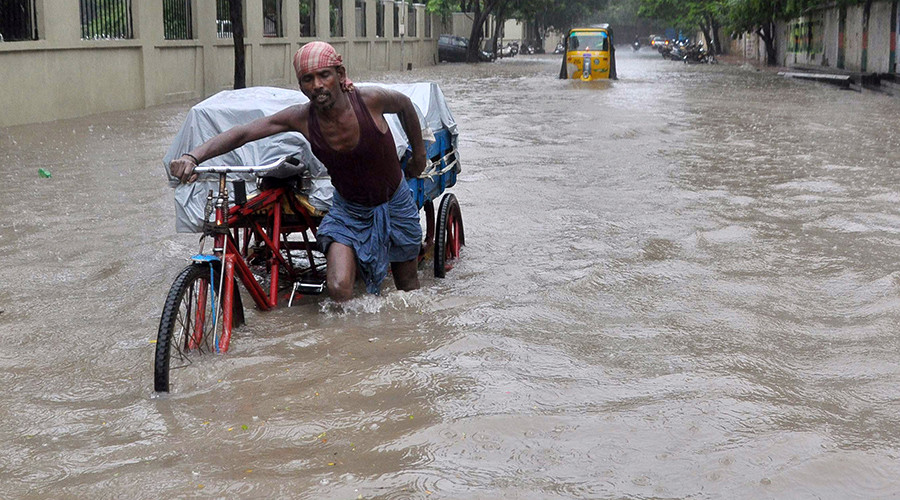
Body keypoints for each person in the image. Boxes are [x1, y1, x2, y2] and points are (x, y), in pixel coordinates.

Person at [169, 41, 426, 301]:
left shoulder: (370, 100)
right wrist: (193, 156)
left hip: (394, 202)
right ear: (301, 86)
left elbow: (405, 105)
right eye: (307, 79)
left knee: (407, 286)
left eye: (324, 75)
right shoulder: (302, 118)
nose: (316, 85)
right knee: (338, 289)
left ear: (340, 74)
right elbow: (244, 132)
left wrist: (419, 155)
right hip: (349, 210)